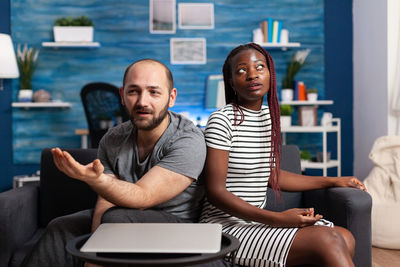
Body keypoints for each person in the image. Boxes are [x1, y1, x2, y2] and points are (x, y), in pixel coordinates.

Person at [22, 59, 226, 267]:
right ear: (122, 95)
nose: (142, 102)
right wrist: (93, 256)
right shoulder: (113, 138)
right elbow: (106, 201)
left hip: (178, 226)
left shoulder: (188, 140)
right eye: (133, 91)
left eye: (153, 92)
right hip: (124, 218)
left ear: (171, 97)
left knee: (116, 220)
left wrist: (94, 180)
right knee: (61, 226)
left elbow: (143, 196)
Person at [199, 43, 366, 267]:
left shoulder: (269, 117)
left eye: (260, 67)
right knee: (329, 239)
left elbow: (272, 175)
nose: (252, 75)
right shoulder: (222, 120)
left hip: (256, 225)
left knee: (345, 237)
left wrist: (334, 180)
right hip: (224, 229)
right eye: (241, 70)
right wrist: (278, 219)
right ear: (231, 83)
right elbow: (215, 192)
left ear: (270, 75)